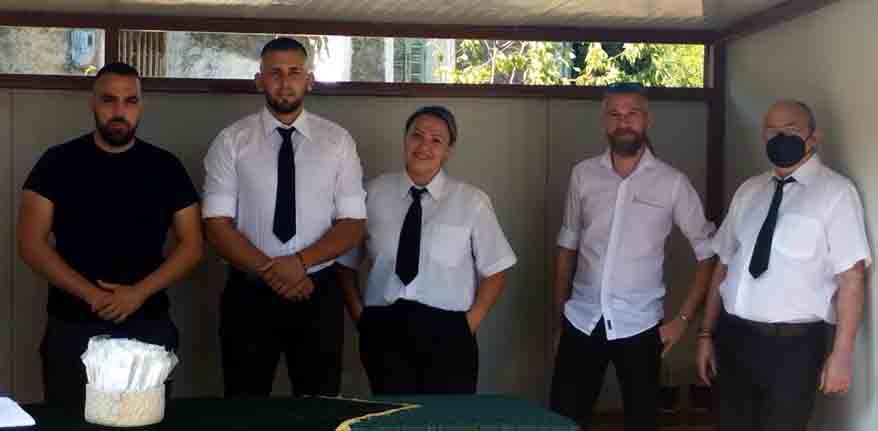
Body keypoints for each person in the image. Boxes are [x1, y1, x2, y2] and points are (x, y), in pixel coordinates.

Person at [17, 62, 203, 408]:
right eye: (109, 100)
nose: (119, 111)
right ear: (92, 103)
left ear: (141, 106)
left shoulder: (166, 167)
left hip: (148, 325)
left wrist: (137, 294)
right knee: (69, 420)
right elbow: (30, 243)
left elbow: (192, 245)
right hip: (72, 325)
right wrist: (92, 294)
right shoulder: (56, 162)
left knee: (144, 419)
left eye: (130, 101)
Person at [202, 37, 366, 397]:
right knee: (244, 400)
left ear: (309, 80)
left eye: (294, 72)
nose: (285, 82)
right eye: (275, 73)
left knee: (320, 404)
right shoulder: (231, 141)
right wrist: (270, 270)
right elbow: (216, 224)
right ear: (259, 80)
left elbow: (353, 223)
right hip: (249, 292)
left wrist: (300, 263)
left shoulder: (338, 142)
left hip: (317, 290)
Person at [550, 82, 717, 431]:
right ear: (604, 120)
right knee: (563, 421)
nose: (623, 121)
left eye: (632, 113)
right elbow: (568, 245)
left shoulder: (672, 182)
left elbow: (707, 254)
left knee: (642, 421)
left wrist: (682, 320)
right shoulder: (583, 175)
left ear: (647, 119)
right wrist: (561, 313)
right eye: (614, 113)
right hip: (582, 320)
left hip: (641, 326)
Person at [695, 100, 869, 431]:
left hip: (794, 349)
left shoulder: (836, 193)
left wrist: (842, 355)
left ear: (814, 137)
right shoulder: (749, 191)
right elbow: (723, 265)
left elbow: (852, 278)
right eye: (771, 132)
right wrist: (706, 333)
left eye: (790, 130)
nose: (780, 138)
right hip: (735, 339)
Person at [337, 106, 516, 395]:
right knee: (392, 415)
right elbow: (346, 263)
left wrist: (467, 325)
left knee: (449, 417)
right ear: (405, 139)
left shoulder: (471, 201)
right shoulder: (372, 194)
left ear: (448, 151)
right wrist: (362, 318)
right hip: (384, 329)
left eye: (436, 140)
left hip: (448, 332)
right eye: (417, 136)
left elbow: (496, 269)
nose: (424, 146)